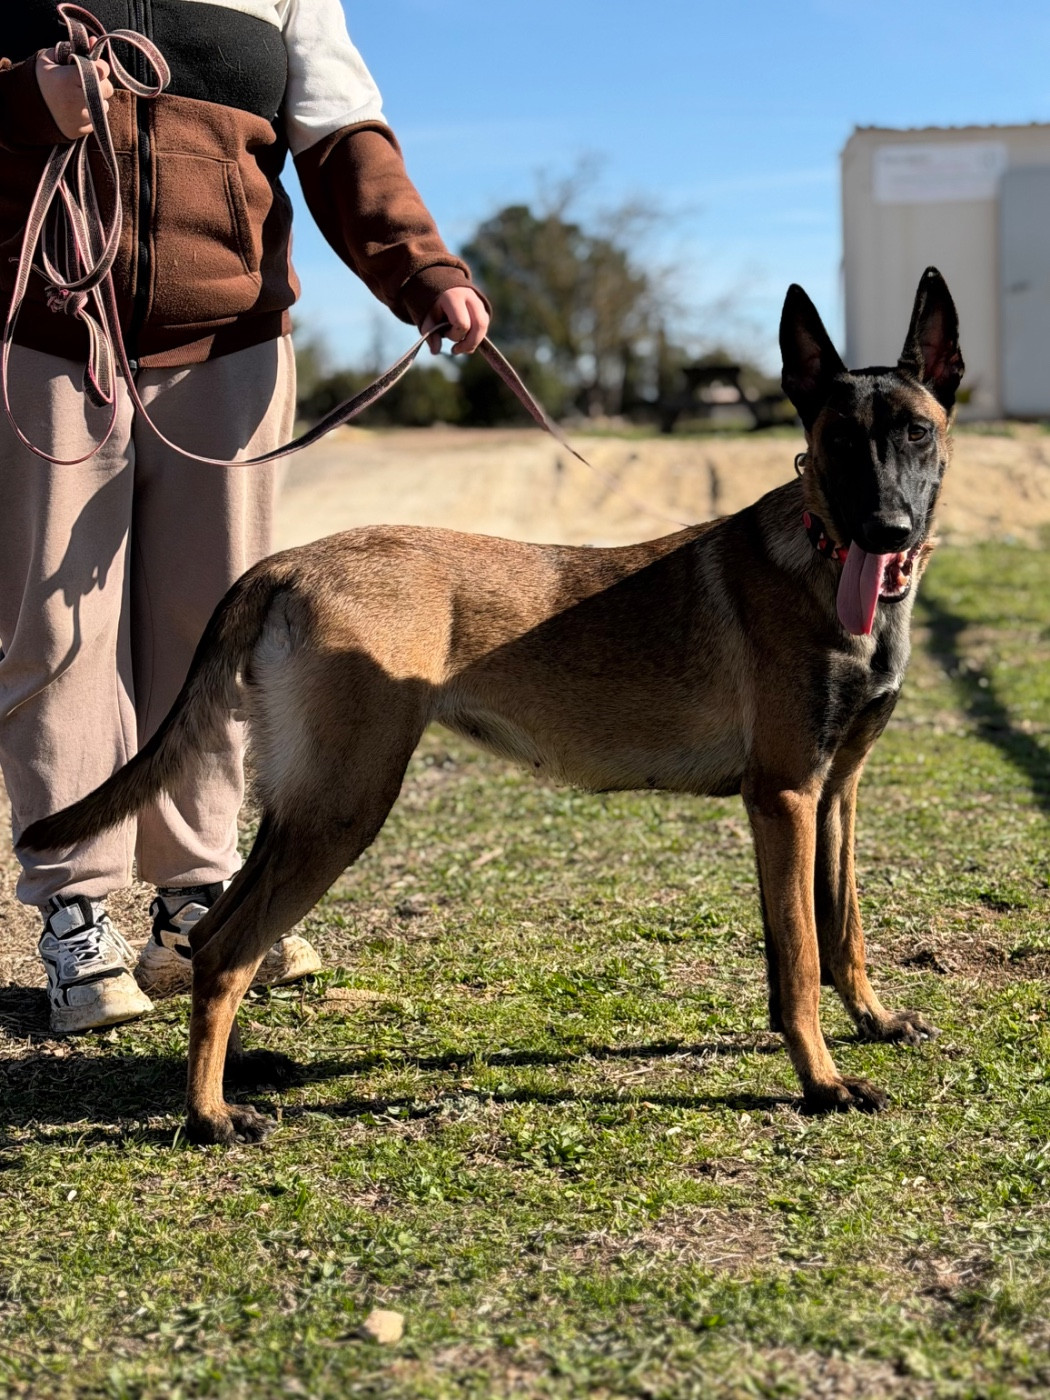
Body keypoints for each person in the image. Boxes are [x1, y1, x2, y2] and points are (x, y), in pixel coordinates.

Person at [0, 0, 490, 1033]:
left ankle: (194, 900)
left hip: (229, 341)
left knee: (210, 625)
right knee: (49, 630)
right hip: (39, 328)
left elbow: (342, 134)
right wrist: (22, 100)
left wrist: (423, 267)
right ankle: (73, 908)